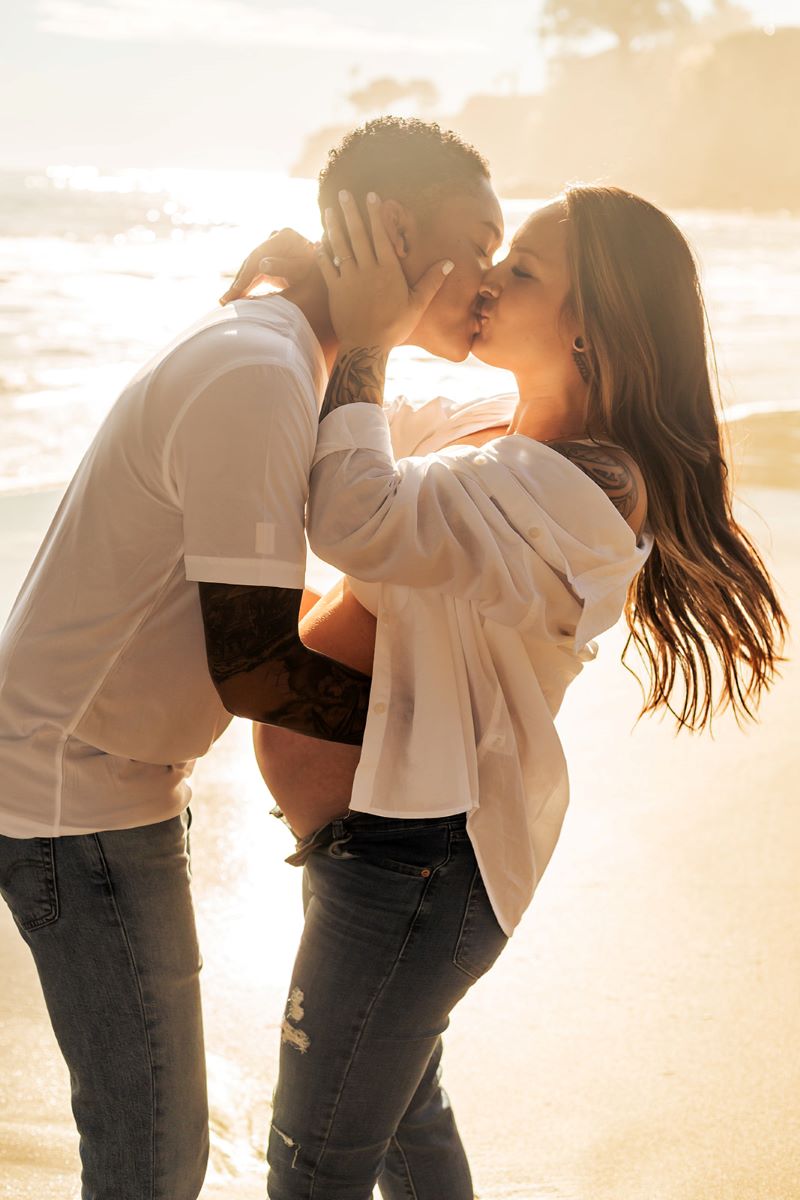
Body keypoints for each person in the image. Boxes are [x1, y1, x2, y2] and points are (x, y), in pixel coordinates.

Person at [236, 185, 787, 1200]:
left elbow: (355, 515)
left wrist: (363, 336)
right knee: (405, 1126)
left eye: (520, 270)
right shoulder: (494, 420)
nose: (488, 282)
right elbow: (328, 437)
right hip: (383, 856)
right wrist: (315, 301)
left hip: (415, 869)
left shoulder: (590, 487)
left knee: (313, 1167)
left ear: (592, 328)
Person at [0, 117, 505, 1200]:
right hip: (68, 792)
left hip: (111, 782)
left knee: (154, 1152)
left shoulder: (288, 353)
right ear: (396, 228)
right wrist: (458, 753)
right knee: (150, 1162)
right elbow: (257, 670)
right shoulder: (258, 368)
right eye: (481, 240)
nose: (495, 282)